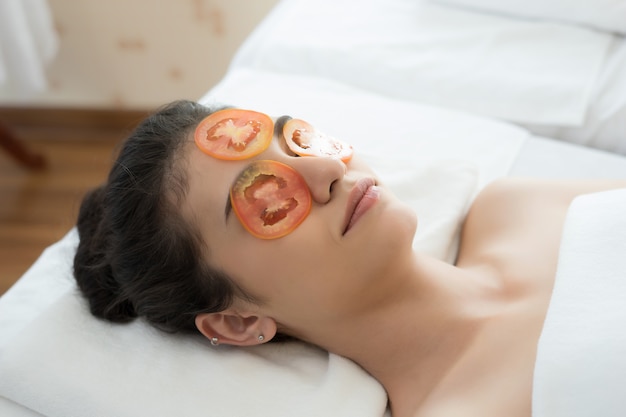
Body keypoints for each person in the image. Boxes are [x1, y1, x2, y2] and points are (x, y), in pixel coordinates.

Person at [73, 99, 625, 417]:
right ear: (238, 321)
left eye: (298, 143)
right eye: (265, 197)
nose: (327, 172)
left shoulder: (513, 208)